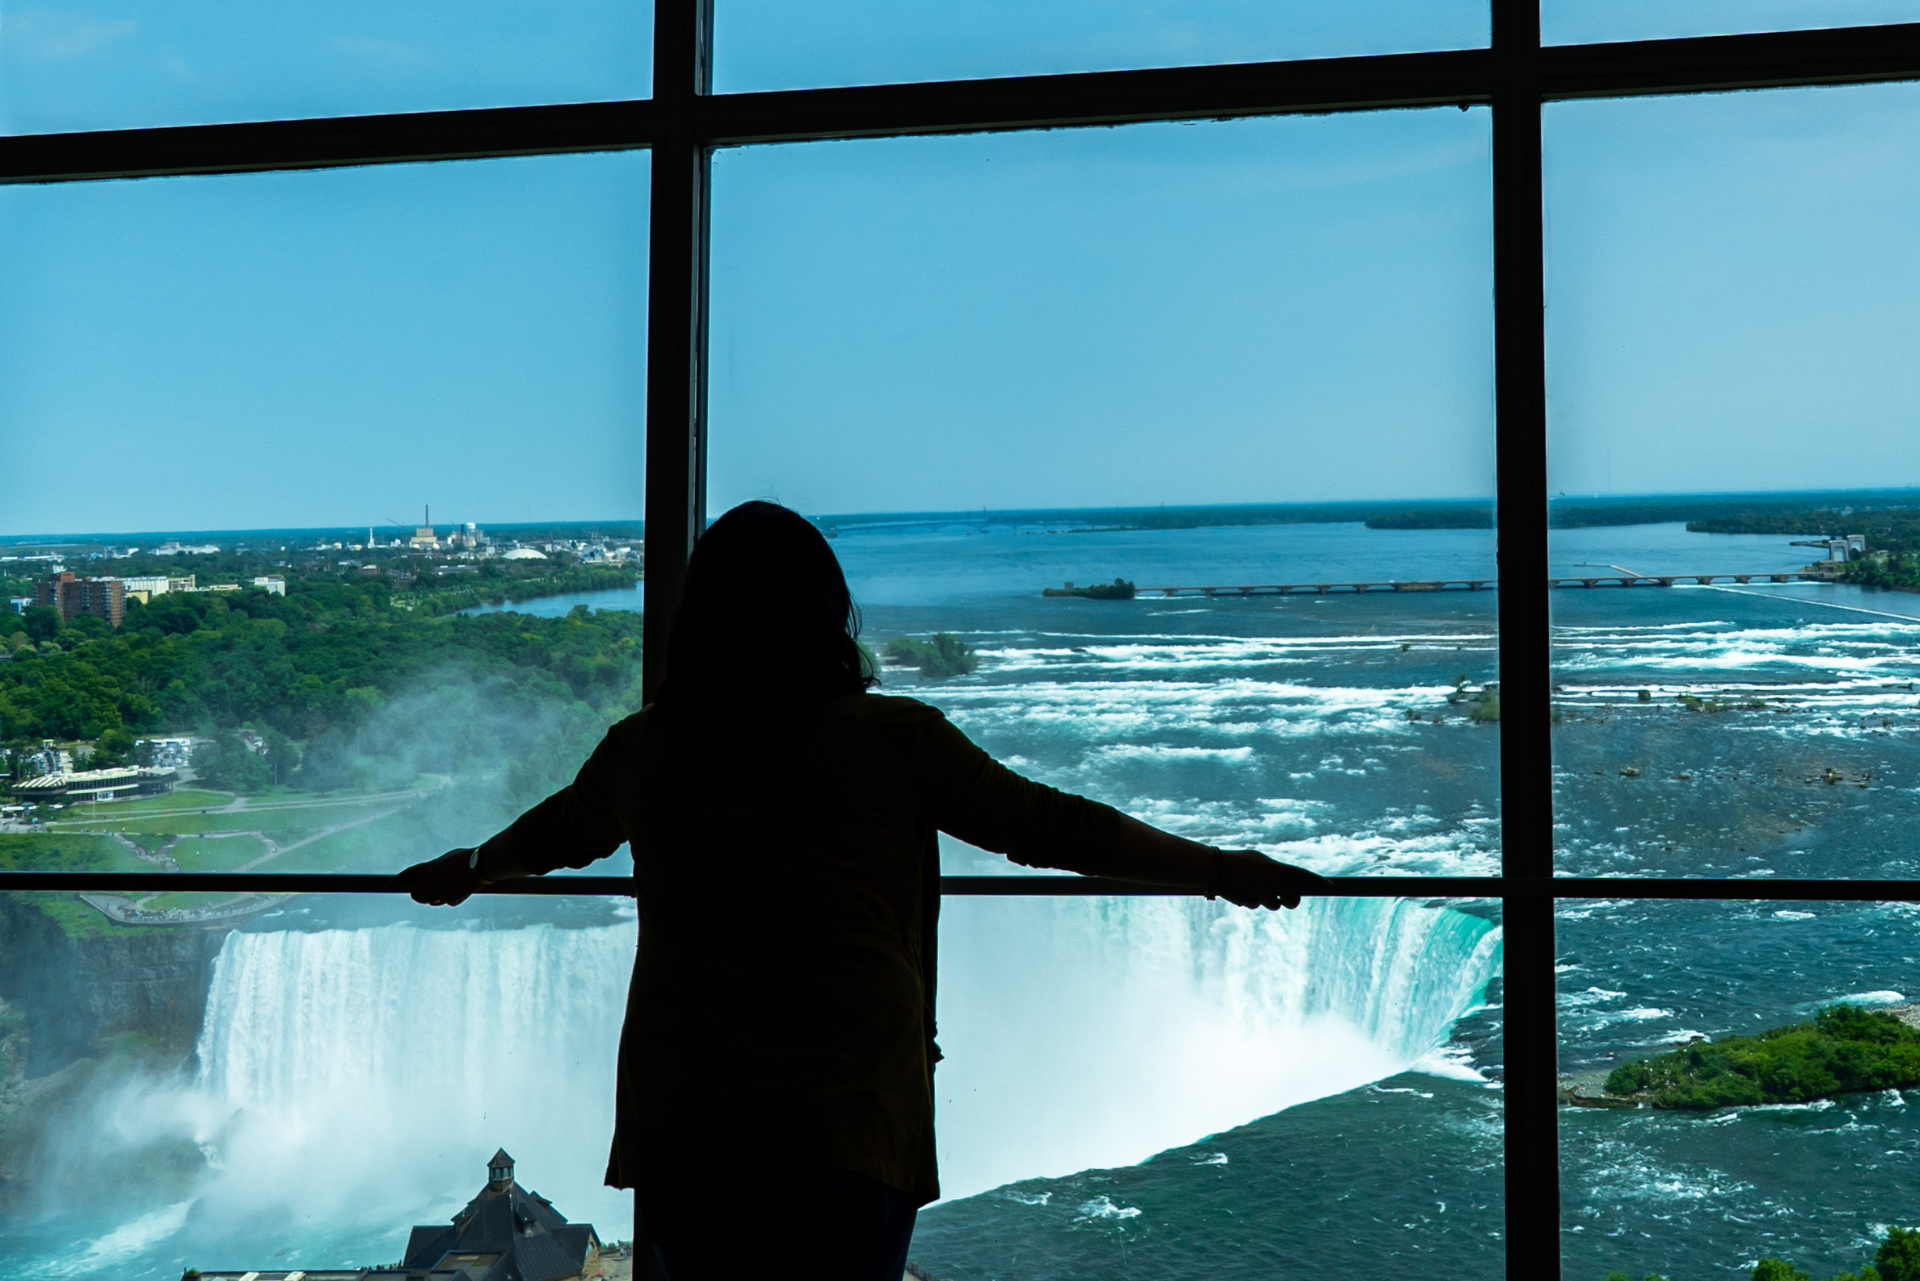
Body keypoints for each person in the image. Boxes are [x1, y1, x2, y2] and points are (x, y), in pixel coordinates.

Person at [397, 500, 1331, 1280]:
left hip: (689, 1114)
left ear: (700, 622)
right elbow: (1055, 830)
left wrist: (469, 867)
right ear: (828, 617)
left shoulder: (648, 749)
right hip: (850, 1116)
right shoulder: (897, 741)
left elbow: (555, 835)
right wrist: (1217, 869)